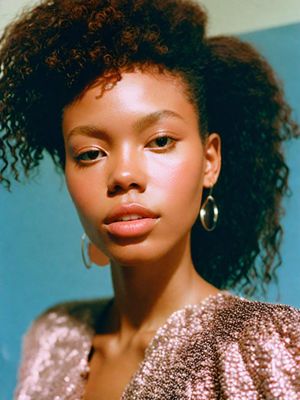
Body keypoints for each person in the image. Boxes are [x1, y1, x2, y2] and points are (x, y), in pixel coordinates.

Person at [1, 0, 300, 398]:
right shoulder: (51, 338)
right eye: (90, 153)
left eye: (160, 141)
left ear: (210, 161)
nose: (124, 175)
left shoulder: (268, 345)